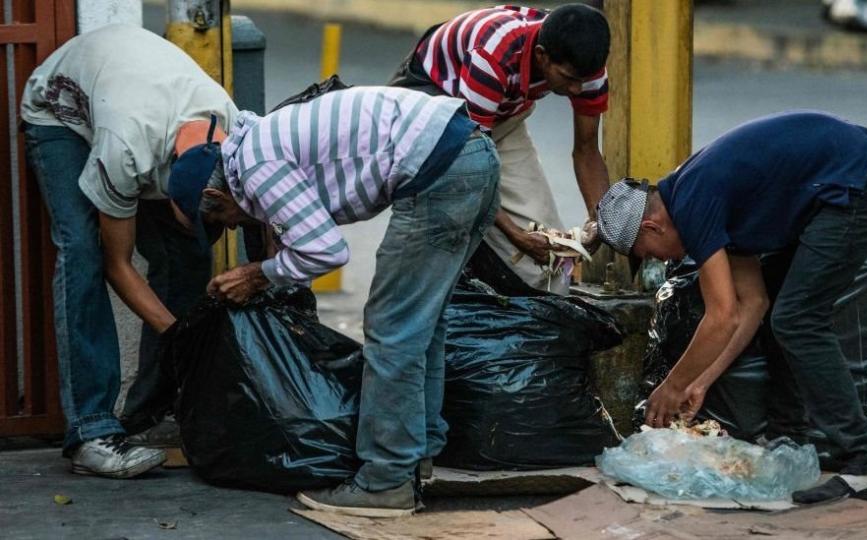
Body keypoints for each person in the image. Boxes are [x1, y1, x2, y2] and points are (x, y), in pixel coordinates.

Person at [168, 86, 500, 516]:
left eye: (220, 221)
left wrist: (258, 275)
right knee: (422, 323)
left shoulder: (256, 168)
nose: (231, 229)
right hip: (473, 154)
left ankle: (386, 480)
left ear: (216, 196)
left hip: (442, 169)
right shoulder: (255, 145)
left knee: (392, 329)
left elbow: (325, 251)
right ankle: (418, 456)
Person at [595, 111, 867, 506]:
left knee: (798, 319)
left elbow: (721, 315)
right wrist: (701, 381)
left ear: (652, 227)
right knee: (783, 310)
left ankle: (865, 466)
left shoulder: (693, 198)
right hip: (845, 185)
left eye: (648, 255)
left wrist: (672, 387)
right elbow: (751, 304)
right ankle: (789, 439)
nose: (658, 261)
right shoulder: (699, 197)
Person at [20, 24, 237, 478]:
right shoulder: (126, 149)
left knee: (189, 256)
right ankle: (92, 431)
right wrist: (183, 337)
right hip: (61, 114)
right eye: (201, 215)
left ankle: (150, 415)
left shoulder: (232, 132)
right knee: (82, 251)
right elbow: (118, 266)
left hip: (135, 100)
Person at [390, 4, 610, 293]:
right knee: (444, 234)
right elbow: (470, 164)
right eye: (569, 79)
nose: (578, 90)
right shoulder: (493, 55)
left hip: (497, 118)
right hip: (435, 113)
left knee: (552, 260)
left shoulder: (586, 68)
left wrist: (601, 221)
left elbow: (587, 151)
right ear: (542, 56)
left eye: (583, 81)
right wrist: (515, 235)